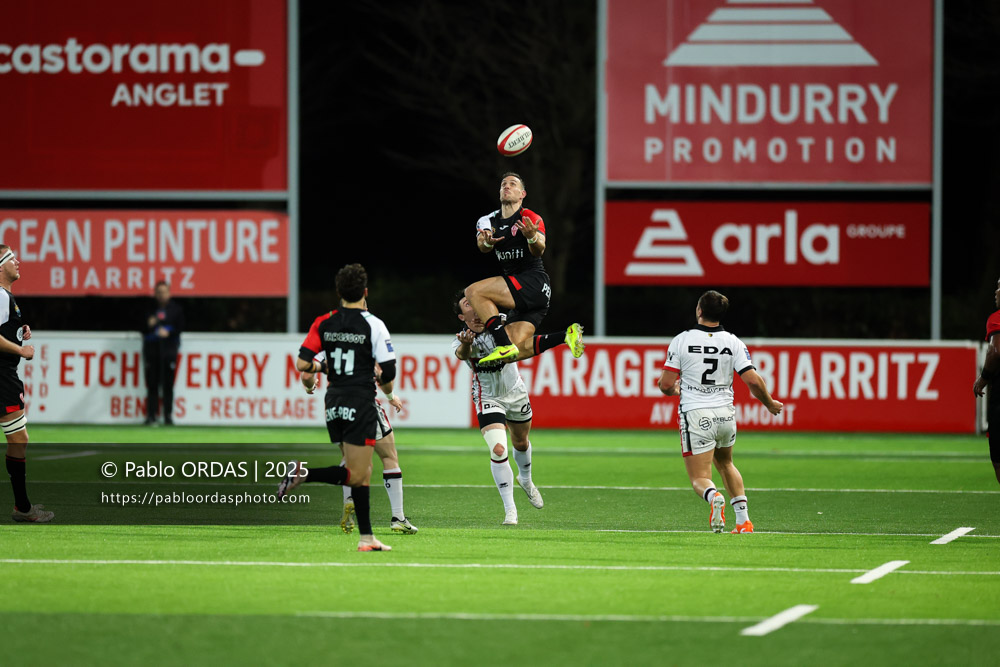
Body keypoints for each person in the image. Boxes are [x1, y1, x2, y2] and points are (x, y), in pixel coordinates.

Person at [277, 263, 399, 551]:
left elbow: (303, 365)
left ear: (338, 293)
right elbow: (390, 373)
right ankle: (303, 473)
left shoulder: (324, 322)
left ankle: (367, 539)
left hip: (333, 403)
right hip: (360, 400)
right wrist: (384, 383)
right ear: (365, 292)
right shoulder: (373, 324)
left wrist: (324, 366)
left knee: (362, 471)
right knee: (359, 472)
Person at [452, 290, 584, 525]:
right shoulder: (463, 337)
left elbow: (526, 343)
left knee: (520, 442)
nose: (474, 306)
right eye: (467, 304)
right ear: (462, 316)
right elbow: (461, 354)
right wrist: (464, 345)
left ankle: (526, 479)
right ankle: (510, 510)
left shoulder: (501, 323)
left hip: (515, 392)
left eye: (474, 301)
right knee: (499, 450)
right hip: (488, 396)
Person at [657, 290, 782, 534]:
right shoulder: (733, 342)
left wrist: (675, 391)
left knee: (699, 478)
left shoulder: (682, 340)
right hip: (725, 413)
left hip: (696, 414)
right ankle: (744, 521)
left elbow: (665, 384)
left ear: (699, 310)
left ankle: (714, 496)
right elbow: (753, 381)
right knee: (726, 463)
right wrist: (768, 403)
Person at [466, 172, 581, 363]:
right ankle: (565, 335)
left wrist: (531, 237)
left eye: (512, 184)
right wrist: (487, 243)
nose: (507, 187)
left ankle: (502, 345)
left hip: (532, 282)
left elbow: (539, 250)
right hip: (532, 296)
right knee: (512, 354)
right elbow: (481, 245)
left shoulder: (529, 217)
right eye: (503, 184)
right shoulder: (488, 220)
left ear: (522, 194)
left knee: (473, 292)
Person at [300, 358, 417, 534]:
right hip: (363, 403)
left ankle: (348, 498)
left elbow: (306, 374)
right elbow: (383, 376)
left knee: (349, 458)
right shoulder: (369, 337)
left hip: (334, 406)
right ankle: (398, 517)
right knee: (389, 457)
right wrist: (391, 396)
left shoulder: (327, 339)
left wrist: (310, 386)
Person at [0, 246, 53, 523]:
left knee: (18, 439)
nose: (18, 261)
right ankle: (22, 508)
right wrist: (21, 350)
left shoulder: (7, 297)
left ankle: (22, 506)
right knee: (19, 439)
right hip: (2, 376)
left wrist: (19, 334)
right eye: (11, 258)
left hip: (5, 374)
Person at [142, 280, 184, 426]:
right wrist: (149, 325)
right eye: (158, 292)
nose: (161, 295)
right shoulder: (149, 310)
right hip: (152, 351)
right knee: (152, 384)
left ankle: (168, 416)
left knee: (168, 385)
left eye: (164, 292)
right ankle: (151, 415)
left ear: (169, 293)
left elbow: (180, 328)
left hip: (169, 351)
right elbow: (141, 327)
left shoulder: (176, 310)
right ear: (155, 293)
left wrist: (169, 332)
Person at [973, 276, 1000, 486]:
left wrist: (983, 378)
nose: (996, 292)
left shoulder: (997, 318)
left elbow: (995, 351)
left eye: (999, 288)